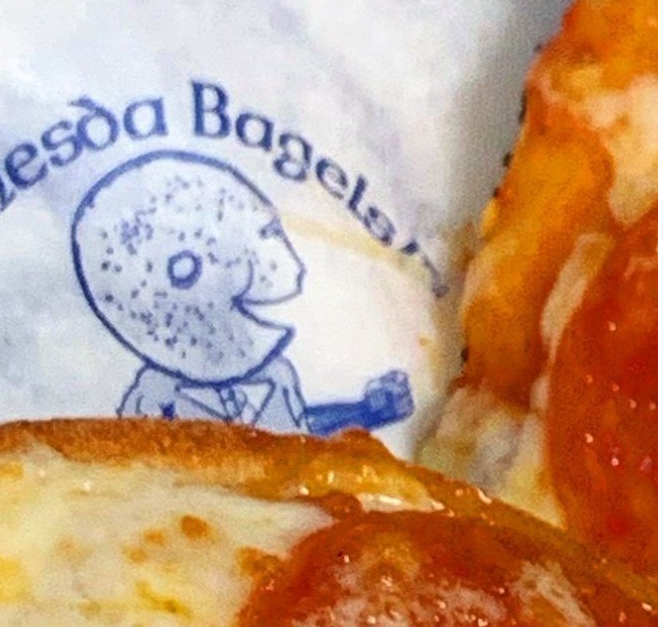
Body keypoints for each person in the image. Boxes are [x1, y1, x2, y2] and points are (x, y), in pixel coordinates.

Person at [71, 148, 412, 437]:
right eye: (264, 234)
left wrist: (366, 412)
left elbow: (298, 438)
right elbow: (127, 472)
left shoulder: (277, 375)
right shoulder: (156, 396)